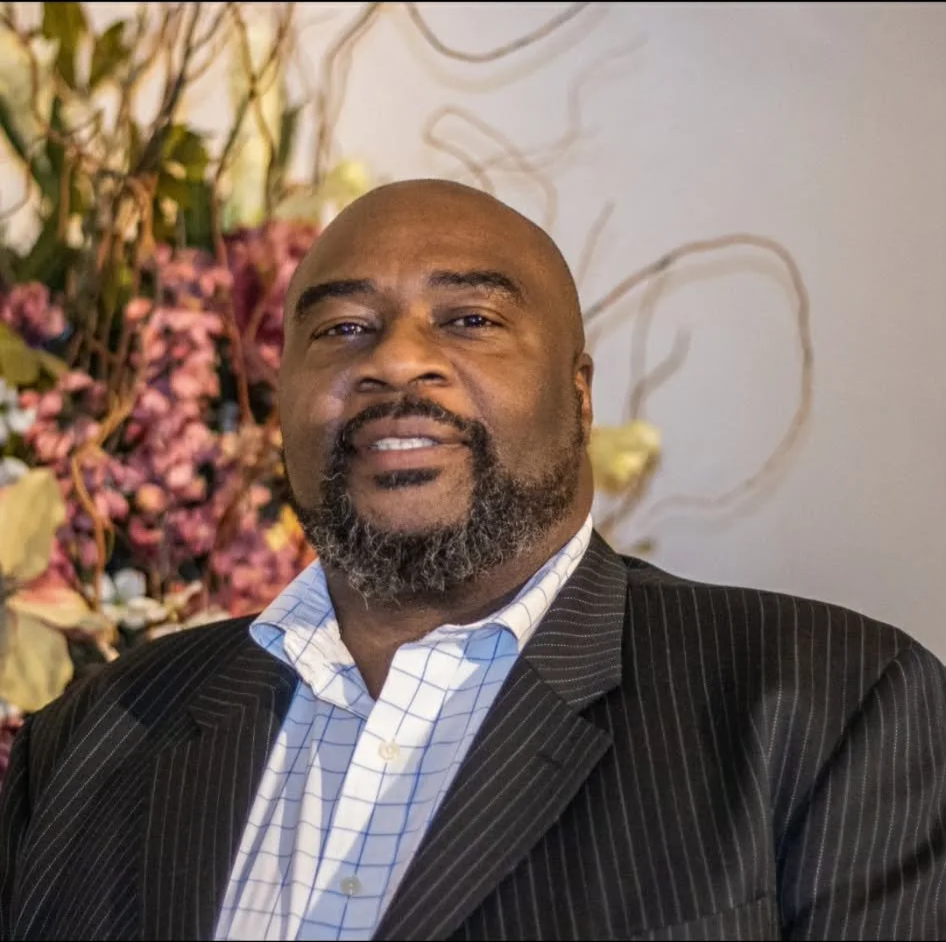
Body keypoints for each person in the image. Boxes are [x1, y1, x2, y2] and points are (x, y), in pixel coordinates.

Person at [0, 179, 943, 942]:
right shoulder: (92, 736)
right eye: (343, 329)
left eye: (470, 320)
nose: (396, 361)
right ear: (276, 399)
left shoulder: (828, 704)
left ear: (580, 395)